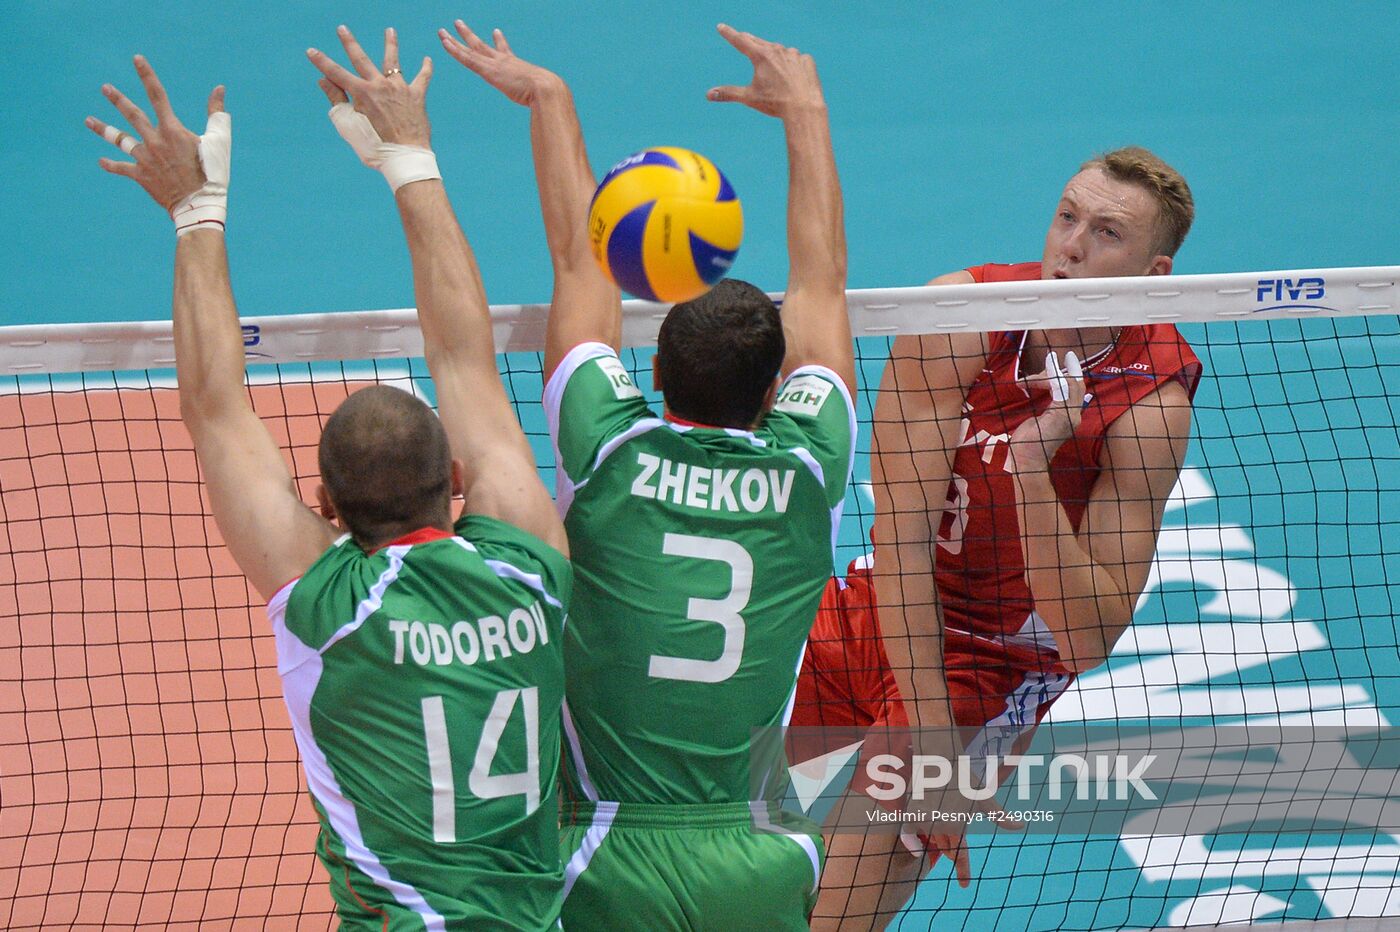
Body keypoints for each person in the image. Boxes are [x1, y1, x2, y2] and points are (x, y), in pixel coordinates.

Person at [89, 35, 572, 928]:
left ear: (322, 505)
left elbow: (212, 405)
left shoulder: (326, 602)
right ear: (457, 478)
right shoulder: (531, 564)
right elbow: (464, 360)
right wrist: (409, 154)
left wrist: (196, 211)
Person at [438, 20, 856, 929]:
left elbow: (578, 260)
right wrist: (806, 113)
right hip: (757, 855)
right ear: (779, 385)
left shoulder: (608, 449)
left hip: (604, 854)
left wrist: (549, 100)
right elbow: (821, 280)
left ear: (654, 378)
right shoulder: (811, 466)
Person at [792, 147, 1203, 928]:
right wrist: (933, 746)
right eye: (1067, 216)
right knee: (764, 876)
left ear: (1153, 275)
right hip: (879, 605)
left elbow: (1086, 639)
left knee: (829, 920)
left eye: (1105, 233)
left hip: (992, 665)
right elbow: (903, 543)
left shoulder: (1150, 405)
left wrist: (1030, 472)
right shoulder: (957, 319)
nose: (1070, 246)